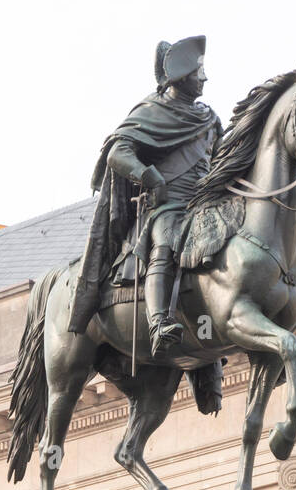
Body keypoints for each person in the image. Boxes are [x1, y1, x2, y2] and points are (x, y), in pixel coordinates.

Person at [69, 36, 222, 356]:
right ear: (181, 77)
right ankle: (159, 323)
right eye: (198, 72)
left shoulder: (209, 119)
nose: (204, 78)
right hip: (168, 205)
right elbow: (117, 153)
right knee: (165, 245)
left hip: (206, 203)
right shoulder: (152, 111)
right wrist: (149, 176)